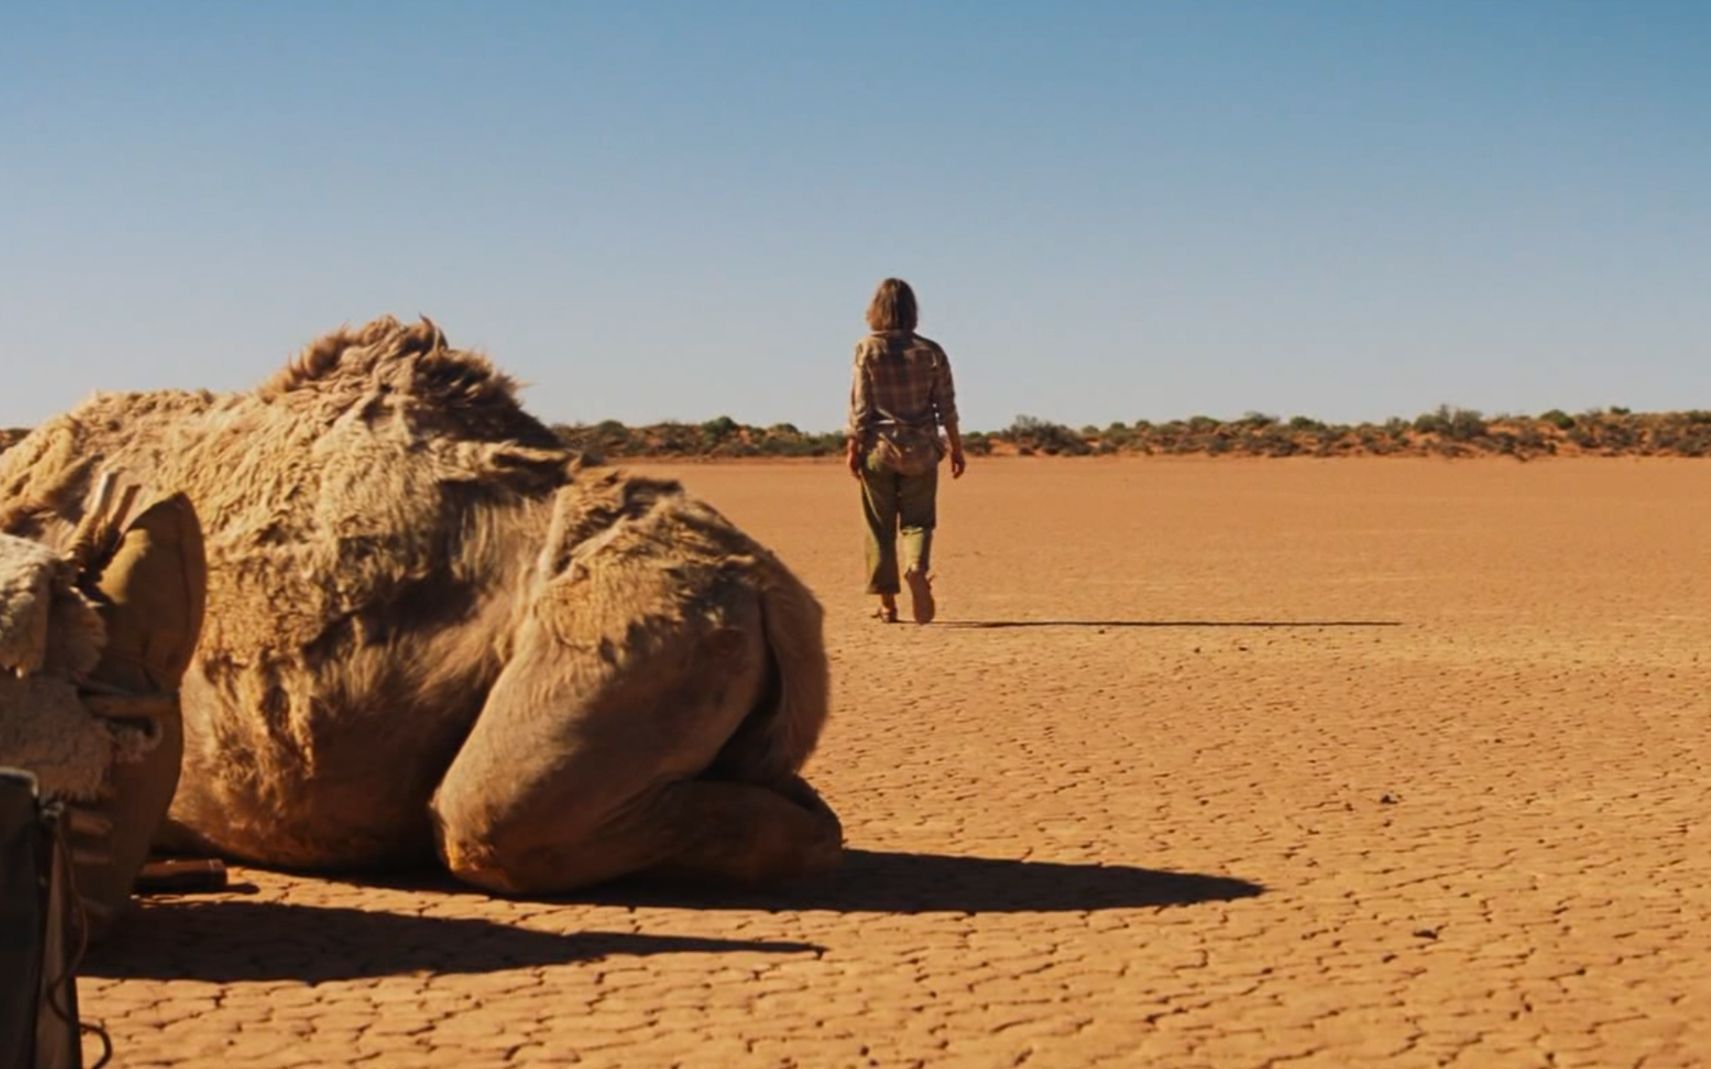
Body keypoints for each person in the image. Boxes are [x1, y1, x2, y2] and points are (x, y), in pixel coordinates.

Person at [845, 278, 966, 624]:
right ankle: (916, 567)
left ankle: (887, 604)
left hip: (878, 448)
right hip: (922, 449)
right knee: (918, 522)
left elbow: (861, 404)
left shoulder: (867, 349)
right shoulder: (930, 351)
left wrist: (853, 444)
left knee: (879, 527)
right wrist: (956, 447)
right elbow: (947, 405)